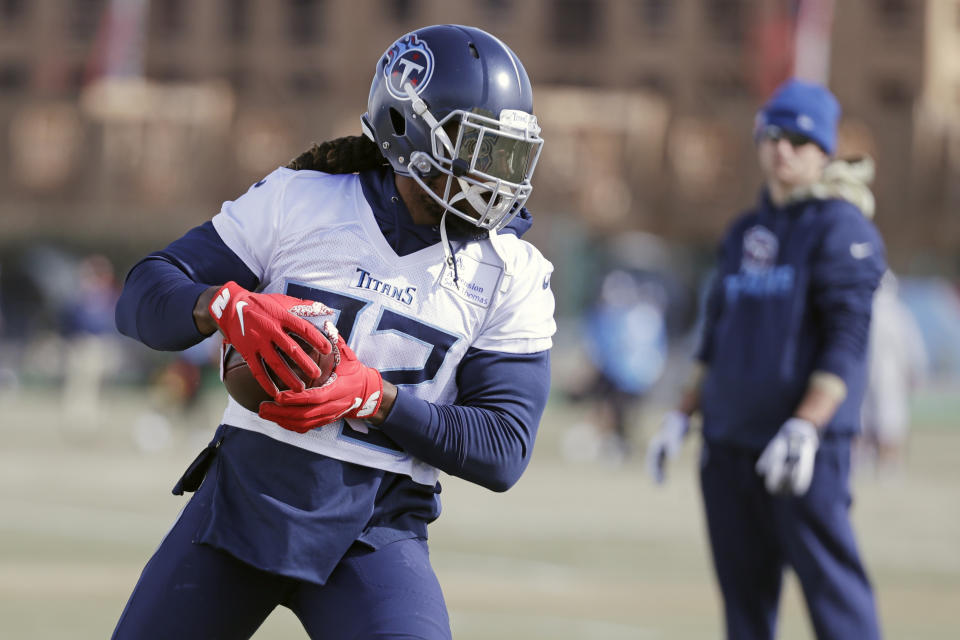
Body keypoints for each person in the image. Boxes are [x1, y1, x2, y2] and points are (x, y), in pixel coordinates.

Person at [112, 24, 554, 640]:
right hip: (243, 503)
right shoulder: (302, 200)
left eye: (509, 155)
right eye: (478, 150)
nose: (496, 177)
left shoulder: (512, 272)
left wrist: (377, 396)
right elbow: (142, 295)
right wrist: (221, 305)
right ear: (410, 131)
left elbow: (504, 448)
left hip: (378, 530)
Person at [645, 79, 885, 640]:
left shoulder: (843, 227)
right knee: (744, 607)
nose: (783, 150)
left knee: (835, 595)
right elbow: (715, 335)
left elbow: (847, 340)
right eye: (773, 135)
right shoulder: (743, 231)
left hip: (802, 450)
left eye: (800, 141)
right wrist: (683, 412)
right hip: (728, 445)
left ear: (824, 150)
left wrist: (806, 425)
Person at [860, 269, 928, 472]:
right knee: (870, 416)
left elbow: (911, 346)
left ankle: (888, 460)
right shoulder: (891, 312)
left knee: (888, 416)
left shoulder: (898, 313)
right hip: (872, 373)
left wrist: (914, 371)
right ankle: (870, 457)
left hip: (888, 374)